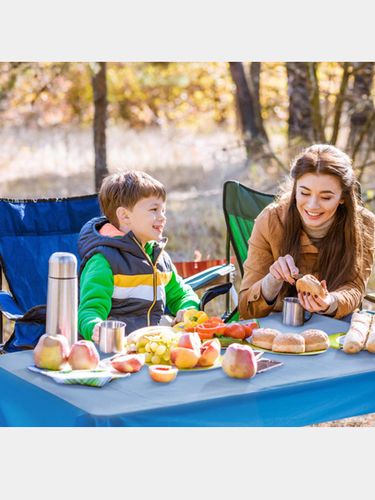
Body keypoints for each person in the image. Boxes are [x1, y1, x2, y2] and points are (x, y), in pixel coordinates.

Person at [239, 144, 375, 321]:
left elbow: (354, 288)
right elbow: (246, 310)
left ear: (342, 197)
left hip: (335, 325)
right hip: (277, 324)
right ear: (295, 189)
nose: (312, 205)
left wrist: (330, 301)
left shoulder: (364, 224)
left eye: (326, 197)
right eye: (304, 193)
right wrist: (272, 280)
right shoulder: (270, 221)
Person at [78, 170, 200, 340]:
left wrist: (188, 308)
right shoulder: (104, 261)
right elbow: (90, 310)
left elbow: (181, 293)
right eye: (154, 210)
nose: (162, 217)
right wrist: (95, 327)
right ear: (125, 216)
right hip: (115, 349)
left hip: (155, 345)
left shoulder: (159, 257)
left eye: (163, 210)